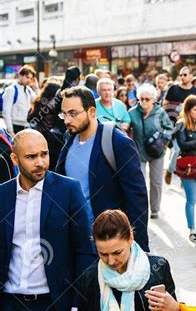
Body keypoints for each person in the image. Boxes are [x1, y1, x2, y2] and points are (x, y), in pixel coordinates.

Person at [0, 130, 95, 311]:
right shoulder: (2, 196)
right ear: (15, 158)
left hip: (52, 310)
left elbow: (84, 251)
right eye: (31, 157)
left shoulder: (68, 190)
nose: (40, 162)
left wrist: (77, 303)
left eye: (44, 154)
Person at [55, 86, 149, 251]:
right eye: (64, 114)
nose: (67, 120)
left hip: (109, 241)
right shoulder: (69, 140)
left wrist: (139, 248)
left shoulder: (117, 142)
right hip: (76, 241)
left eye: (73, 113)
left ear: (91, 112)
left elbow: (137, 198)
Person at [129, 83, 174, 220]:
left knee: (156, 182)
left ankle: (155, 209)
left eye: (147, 99)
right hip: (139, 153)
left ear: (153, 99)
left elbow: (169, 128)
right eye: (141, 99)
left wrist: (164, 140)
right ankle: (142, 209)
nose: (143, 102)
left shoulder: (160, 112)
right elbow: (125, 128)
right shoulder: (132, 113)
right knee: (140, 182)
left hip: (157, 152)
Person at [175, 96, 196, 242]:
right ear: (188, 110)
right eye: (195, 109)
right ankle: (192, 230)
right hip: (189, 167)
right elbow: (182, 145)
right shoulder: (181, 125)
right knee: (191, 200)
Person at [2, 66, 36, 138]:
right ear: (20, 75)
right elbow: (6, 112)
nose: (29, 80)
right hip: (15, 126)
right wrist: (10, 130)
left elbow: (37, 100)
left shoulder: (28, 89)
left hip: (26, 126)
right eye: (27, 77)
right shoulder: (11, 90)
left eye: (31, 78)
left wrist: (36, 87)